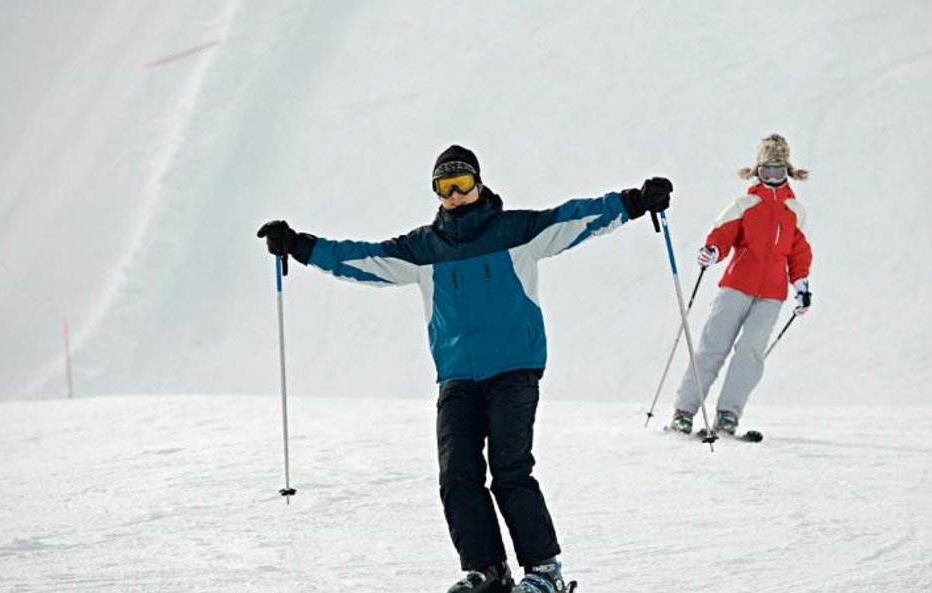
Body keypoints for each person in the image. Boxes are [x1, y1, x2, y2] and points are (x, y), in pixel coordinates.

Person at [258, 145, 673, 593]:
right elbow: (360, 258)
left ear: (478, 183)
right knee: (457, 477)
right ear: (436, 192)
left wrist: (633, 202)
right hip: (456, 374)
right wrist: (299, 245)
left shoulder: (518, 230)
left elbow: (575, 219)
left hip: (515, 368)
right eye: (444, 187)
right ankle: (485, 571)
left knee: (510, 470)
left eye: (462, 184)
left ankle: (544, 572)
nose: (455, 195)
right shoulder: (422, 249)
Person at [669, 134, 813, 436]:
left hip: (772, 295)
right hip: (736, 286)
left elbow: (799, 253)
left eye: (779, 172)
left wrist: (801, 286)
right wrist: (712, 251)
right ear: (757, 171)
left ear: (788, 172)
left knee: (750, 354)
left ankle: (728, 414)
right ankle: (684, 410)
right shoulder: (744, 204)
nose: (772, 179)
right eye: (767, 172)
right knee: (713, 347)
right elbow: (722, 235)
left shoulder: (795, 211)